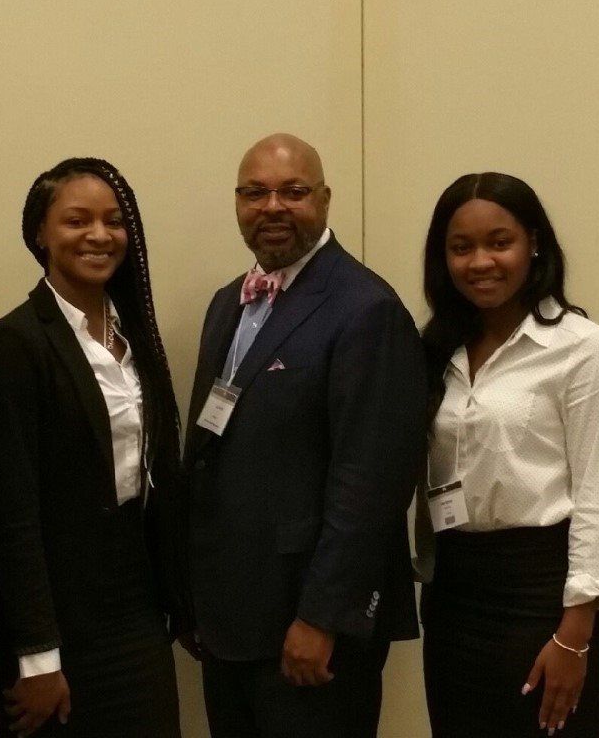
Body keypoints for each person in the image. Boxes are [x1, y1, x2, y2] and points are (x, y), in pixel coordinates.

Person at [182, 133, 430, 738]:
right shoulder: (227, 304)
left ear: (325, 199)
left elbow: (371, 483)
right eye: (255, 193)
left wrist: (322, 617)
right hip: (232, 617)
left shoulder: (365, 308)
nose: (272, 207)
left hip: (308, 628)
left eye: (293, 192)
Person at [0, 158, 185, 737]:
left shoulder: (135, 333)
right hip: (57, 626)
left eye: (113, 221)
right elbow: (12, 512)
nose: (99, 235)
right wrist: (37, 656)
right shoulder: (16, 341)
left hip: (136, 611)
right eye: (77, 220)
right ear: (40, 234)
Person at [416, 172, 599, 738]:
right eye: (461, 247)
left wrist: (575, 634)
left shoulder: (582, 349)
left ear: (534, 244)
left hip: (544, 597)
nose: (480, 262)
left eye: (499, 242)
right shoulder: (437, 349)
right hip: (454, 595)